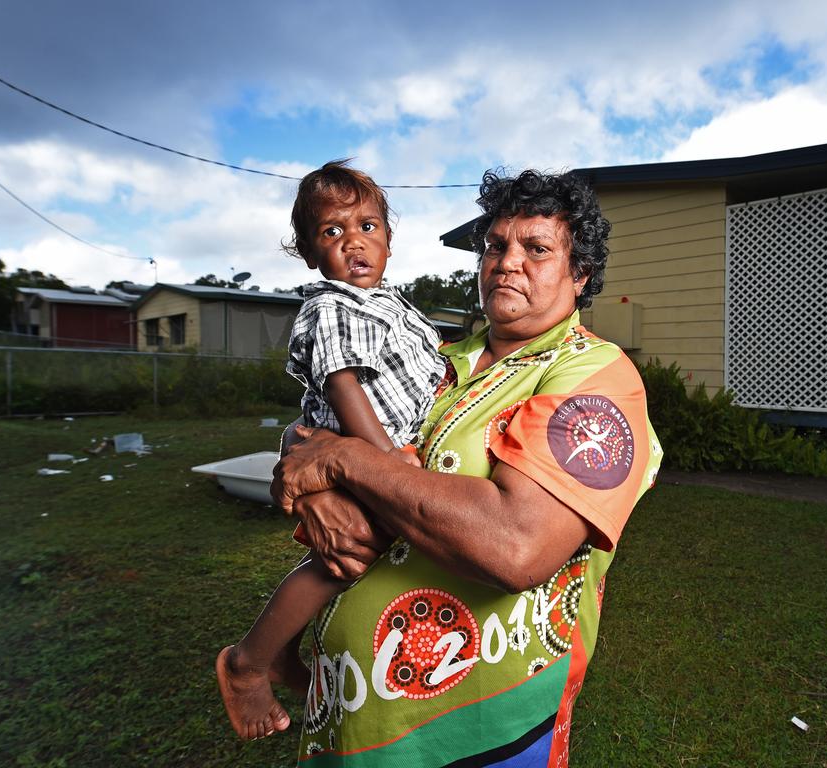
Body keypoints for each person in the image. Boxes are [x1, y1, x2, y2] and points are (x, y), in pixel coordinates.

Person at [273, 168, 663, 766]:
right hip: (353, 710)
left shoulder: (594, 376)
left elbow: (517, 546)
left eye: (536, 248)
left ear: (579, 275)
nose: (508, 262)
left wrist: (347, 462)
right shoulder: (432, 359)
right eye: (496, 246)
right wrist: (309, 480)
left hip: (482, 727)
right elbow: (318, 425)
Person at [215, 161, 445, 741]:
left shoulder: (392, 303)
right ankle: (246, 664)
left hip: (382, 450)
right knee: (340, 560)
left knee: (353, 562)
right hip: (358, 453)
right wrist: (384, 461)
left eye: (368, 226)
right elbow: (344, 385)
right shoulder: (334, 305)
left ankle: (282, 651)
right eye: (332, 232)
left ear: (390, 237)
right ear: (310, 252)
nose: (354, 243)